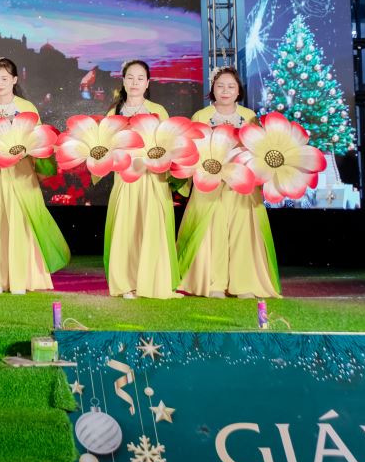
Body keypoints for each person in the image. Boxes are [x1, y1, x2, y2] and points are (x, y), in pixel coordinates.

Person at [0, 58, 70, 294]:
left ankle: (21, 279)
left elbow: (39, 140)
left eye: (4, 78)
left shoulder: (27, 108)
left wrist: (25, 150)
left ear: (14, 80)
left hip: (21, 174)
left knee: (21, 222)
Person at [178, 67, 281, 298]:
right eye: (220, 86)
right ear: (213, 89)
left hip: (241, 183)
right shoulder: (201, 116)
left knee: (243, 231)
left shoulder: (249, 116)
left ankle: (244, 283)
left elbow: (258, 149)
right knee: (212, 230)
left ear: (238, 91)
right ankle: (214, 283)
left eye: (231, 86)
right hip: (210, 183)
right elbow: (191, 149)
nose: (225, 91)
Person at [104, 60, 178, 299]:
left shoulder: (158, 111)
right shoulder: (114, 112)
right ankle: (126, 284)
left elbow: (170, 143)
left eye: (140, 78)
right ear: (123, 81)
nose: (135, 83)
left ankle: (153, 282)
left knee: (152, 226)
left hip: (153, 178)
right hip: (125, 177)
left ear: (147, 83)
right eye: (130, 77)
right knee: (126, 228)